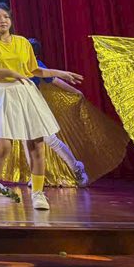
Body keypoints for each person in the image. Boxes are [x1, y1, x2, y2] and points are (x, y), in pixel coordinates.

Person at [0, 3, 83, 212]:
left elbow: (35, 70)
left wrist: (60, 73)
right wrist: (11, 73)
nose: (2, 20)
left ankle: (38, 194)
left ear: (11, 20)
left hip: (27, 93)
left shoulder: (22, 42)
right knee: (3, 146)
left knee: (37, 145)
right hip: (4, 93)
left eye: (6, 17)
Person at [25, 38, 89, 187]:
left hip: (35, 106)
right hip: (20, 107)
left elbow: (54, 80)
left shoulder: (37, 65)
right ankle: (35, 176)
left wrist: (75, 91)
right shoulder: (16, 65)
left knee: (50, 139)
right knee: (26, 141)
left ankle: (77, 168)